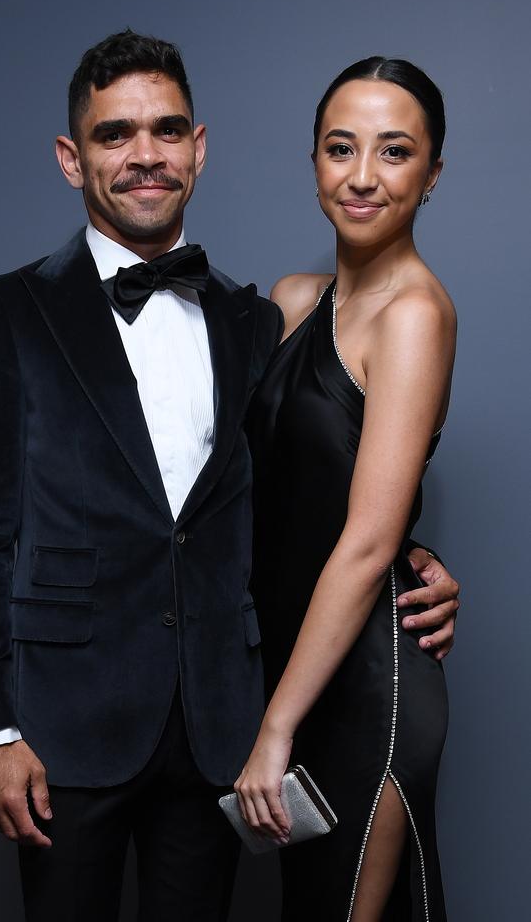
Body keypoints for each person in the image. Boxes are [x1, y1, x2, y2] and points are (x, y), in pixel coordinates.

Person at [0, 33, 459, 921]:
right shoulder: (13, 311)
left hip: (224, 723)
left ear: (199, 147)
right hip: (68, 732)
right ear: (72, 158)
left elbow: (319, 483)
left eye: (167, 131)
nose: (146, 155)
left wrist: (405, 554)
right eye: (115, 135)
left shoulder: (244, 316)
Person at [237, 57, 455, 921]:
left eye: (395, 152)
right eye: (341, 148)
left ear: (432, 175)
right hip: (292, 667)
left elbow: (367, 541)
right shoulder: (292, 300)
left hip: (367, 687)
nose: (362, 176)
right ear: (315, 161)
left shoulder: (415, 314)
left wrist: (275, 728)